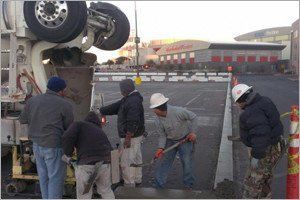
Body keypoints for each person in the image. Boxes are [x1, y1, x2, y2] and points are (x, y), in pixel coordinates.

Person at [19, 76, 74, 199]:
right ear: (60, 90)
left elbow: (22, 119)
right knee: (55, 178)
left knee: (43, 178)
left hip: (37, 146)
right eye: (64, 89)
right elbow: (69, 128)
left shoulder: (32, 101)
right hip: (54, 146)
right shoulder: (65, 104)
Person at [231, 83, 284, 198]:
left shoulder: (250, 112)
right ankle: (265, 196)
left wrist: (256, 156)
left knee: (252, 183)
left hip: (264, 151)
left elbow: (261, 134)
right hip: (275, 145)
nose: (237, 105)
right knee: (265, 177)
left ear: (241, 100)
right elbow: (265, 125)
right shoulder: (264, 101)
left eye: (237, 102)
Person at [100, 79, 145, 187]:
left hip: (131, 136)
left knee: (126, 161)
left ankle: (129, 185)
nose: (120, 91)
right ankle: (137, 179)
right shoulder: (129, 98)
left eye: (121, 89)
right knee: (136, 158)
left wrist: (128, 137)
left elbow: (133, 120)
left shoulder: (132, 101)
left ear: (126, 89)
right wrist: (101, 110)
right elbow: (115, 107)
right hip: (136, 136)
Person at [149, 93, 198, 189]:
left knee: (187, 163)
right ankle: (159, 184)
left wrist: (193, 132)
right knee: (164, 163)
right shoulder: (157, 120)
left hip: (185, 140)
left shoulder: (178, 111)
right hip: (170, 141)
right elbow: (162, 135)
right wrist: (160, 148)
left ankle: (189, 185)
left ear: (159, 108)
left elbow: (193, 117)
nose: (153, 110)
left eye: (154, 108)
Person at [62, 111, 115, 199]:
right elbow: (110, 149)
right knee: (106, 191)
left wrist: (68, 153)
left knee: (84, 195)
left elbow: (66, 137)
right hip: (104, 164)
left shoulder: (79, 124)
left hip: (86, 165)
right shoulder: (100, 131)